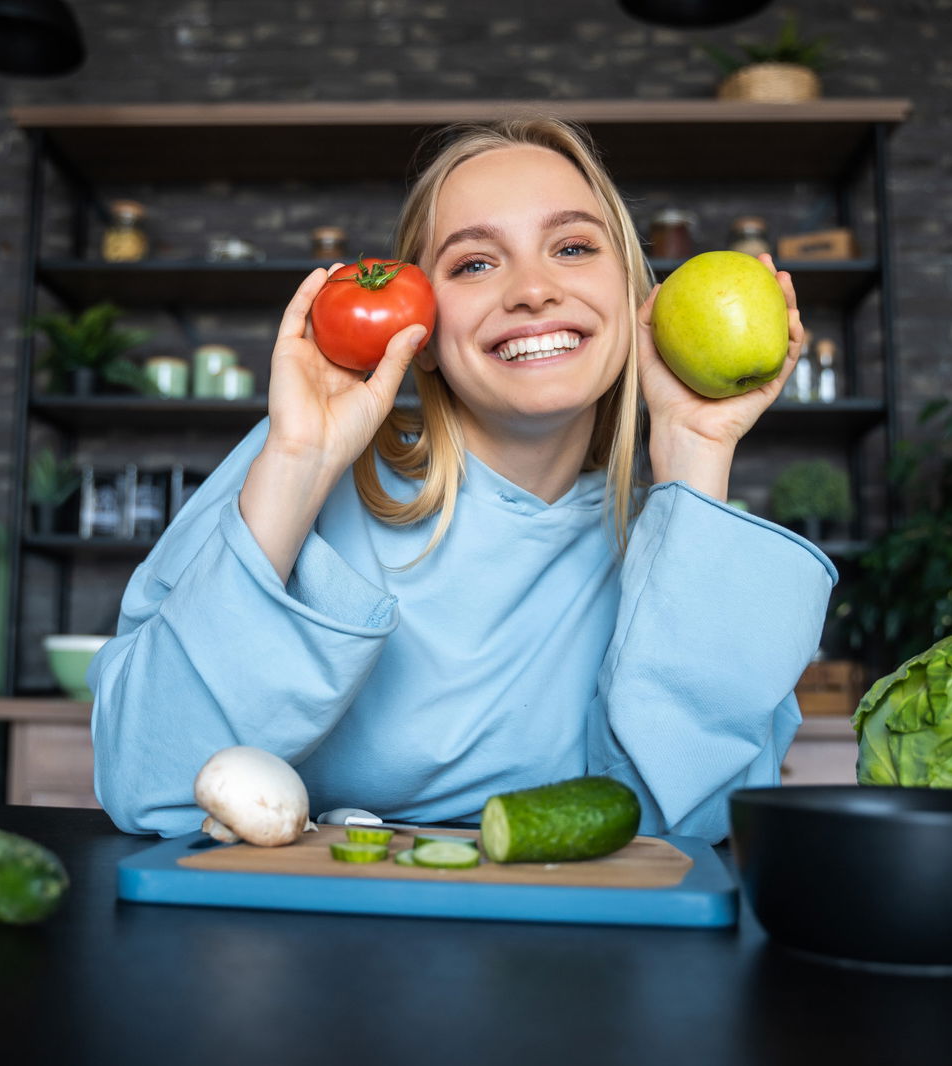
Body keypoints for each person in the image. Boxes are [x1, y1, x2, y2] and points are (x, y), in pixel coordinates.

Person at [89, 115, 836, 842]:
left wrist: (693, 448)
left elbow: (684, 833)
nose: (533, 290)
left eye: (573, 247)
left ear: (638, 299)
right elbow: (148, 786)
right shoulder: (300, 458)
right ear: (423, 334)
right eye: (475, 263)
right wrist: (298, 467)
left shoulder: (674, 539)